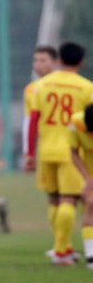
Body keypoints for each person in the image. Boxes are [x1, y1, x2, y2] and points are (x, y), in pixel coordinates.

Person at [26, 42, 93, 265]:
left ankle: (62, 247)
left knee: (54, 200)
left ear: (59, 60)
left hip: (46, 149)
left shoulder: (40, 85)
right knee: (68, 200)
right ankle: (61, 251)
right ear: (82, 62)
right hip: (70, 150)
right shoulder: (87, 87)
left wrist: (29, 153)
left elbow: (33, 120)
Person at [68, 103, 93, 269]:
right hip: (90, 169)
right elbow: (74, 153)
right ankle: (91, 256)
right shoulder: (75, 123)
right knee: (91, 204)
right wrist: (87, 178)